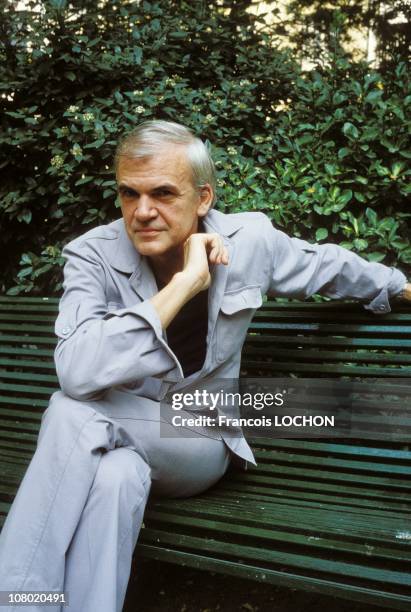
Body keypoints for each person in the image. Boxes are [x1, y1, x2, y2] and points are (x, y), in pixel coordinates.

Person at [0, 120, 409, 612]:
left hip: (199, 437)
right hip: (119, 439)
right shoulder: (93, 256)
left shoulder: (250, 240)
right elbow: (78, 369)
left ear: (203, 198)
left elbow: (327, 265)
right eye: (129, 194)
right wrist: (184, 285)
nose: (143, 211)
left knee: (72, 410)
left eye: (163, 193)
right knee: (115, 477)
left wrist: (398, 287)